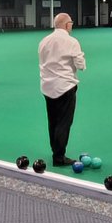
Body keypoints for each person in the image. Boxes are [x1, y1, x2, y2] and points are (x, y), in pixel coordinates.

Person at [38, 12, 86, 168]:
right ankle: (59, 157)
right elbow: (80, 65)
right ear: (66, 25)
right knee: (64, 122)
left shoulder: (43, 41)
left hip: (47, 86)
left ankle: (55, 150)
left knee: (52, 121)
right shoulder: (72, 41)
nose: (72, 25)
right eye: (71, 22)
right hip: (65, 86)